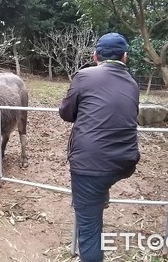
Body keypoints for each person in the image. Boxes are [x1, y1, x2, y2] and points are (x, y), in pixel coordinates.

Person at [58, 33, 140, 261]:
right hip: (126, 161)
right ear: (125, 57)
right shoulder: (133, 83)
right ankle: (100, 196)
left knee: (89, 229)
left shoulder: (84, 76)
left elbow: (66, 113)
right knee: (100, 187)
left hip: (91, 165)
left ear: (95, 56)